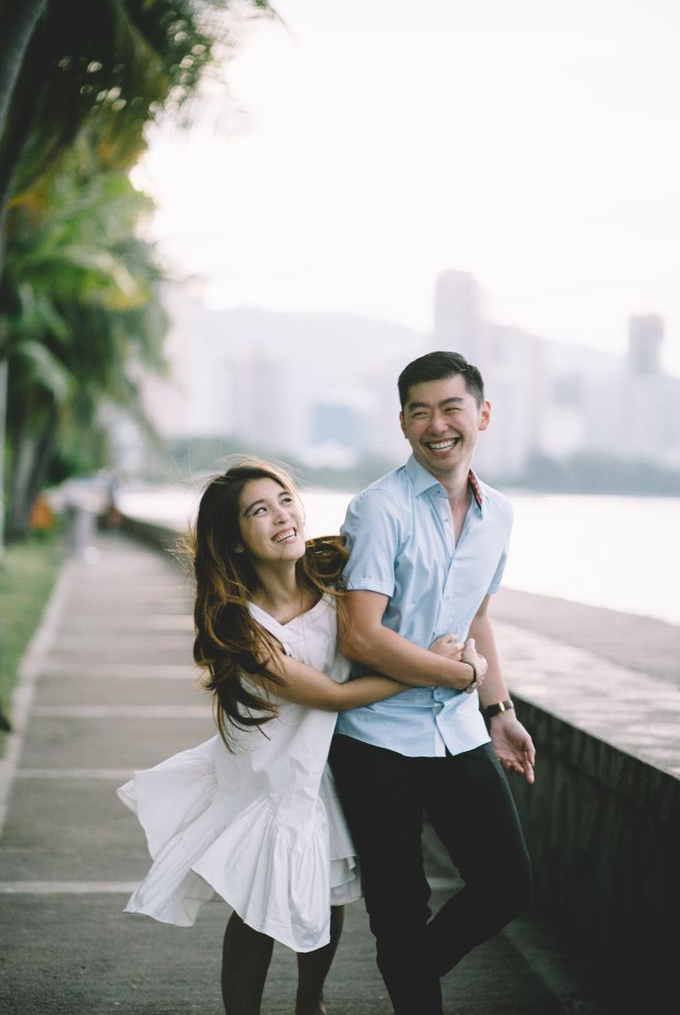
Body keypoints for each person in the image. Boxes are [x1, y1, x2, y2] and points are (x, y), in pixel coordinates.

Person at [117, 460, 487, 1015]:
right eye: (258, 511)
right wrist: (432, 669)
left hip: (325, 767)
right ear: (236, 541)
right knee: (257, 904)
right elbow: (331, 695)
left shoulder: (334, 585)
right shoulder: (239, 623)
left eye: (284, 499)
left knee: (326, 886)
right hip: (269, 774)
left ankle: (308, 1003)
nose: (281, 516)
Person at [328, 351, 536, 1015]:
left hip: (458, 729)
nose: (437, 425)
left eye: (451, 408)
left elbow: (476, 611)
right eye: (420, 411)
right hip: (376, 739)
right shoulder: (379, 508)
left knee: (507, 884)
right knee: (398, 909)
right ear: (402, 423)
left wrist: (497, 707)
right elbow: (359, 636)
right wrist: (456, 672)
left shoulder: (497, 513)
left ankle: (411, 971)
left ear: (482, 414)